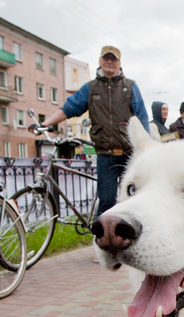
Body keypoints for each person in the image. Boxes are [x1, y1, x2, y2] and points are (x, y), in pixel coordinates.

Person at [41, 45, 149, 218]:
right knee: (106, 200)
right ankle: (100, 234)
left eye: (113, 59)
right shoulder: (91, 88)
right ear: (100, 60)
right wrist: (45, 124)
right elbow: (70, 108)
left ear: (120, 63)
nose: (109, 62)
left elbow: (142, 117)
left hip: (129, 154)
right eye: (106, 58)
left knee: (134, 198)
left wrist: (145, 148)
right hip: (105, 154)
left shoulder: (130, 87)